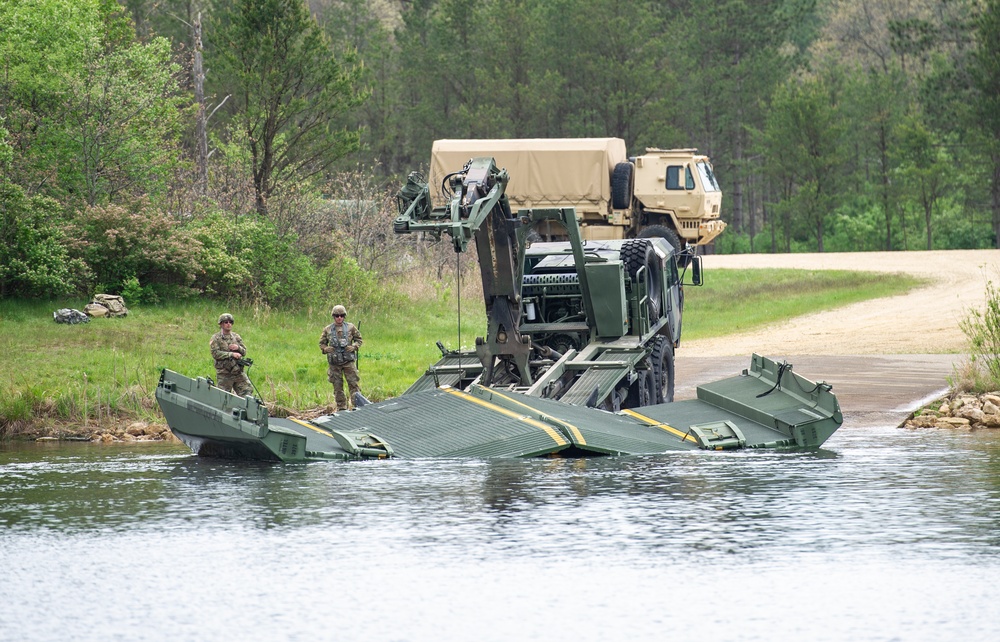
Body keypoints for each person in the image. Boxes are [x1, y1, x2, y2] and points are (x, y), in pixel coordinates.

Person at [319, 305, 363, 411]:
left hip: (348, 362)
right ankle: (341, 408)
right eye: (337, 316)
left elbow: (359, 339)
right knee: (337, 387)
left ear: (344, 316)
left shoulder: (350, 327)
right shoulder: (328, 329)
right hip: (334, 364)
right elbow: (321, 343)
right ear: (333, 316)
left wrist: (354, 346)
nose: (339, 318)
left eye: (342, 316)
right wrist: (326, 349)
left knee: (354, 385)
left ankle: (357, 406)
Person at [210, 313, 252, 396]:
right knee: (222, 397)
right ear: (221, 324)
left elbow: (244, 352)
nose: (228, 324)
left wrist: (238, 348)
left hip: (238, 372)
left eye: (230, 322)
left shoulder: (236, 337)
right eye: (226, 322)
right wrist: (231, 354)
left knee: (247, 392)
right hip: (224, 373)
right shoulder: (216, 338)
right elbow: (215, 353)